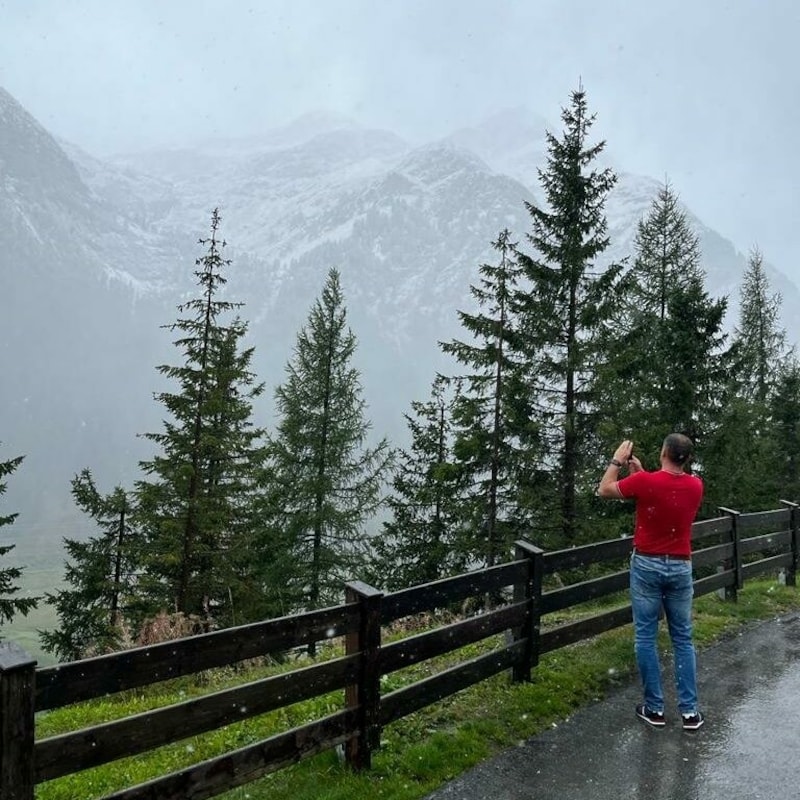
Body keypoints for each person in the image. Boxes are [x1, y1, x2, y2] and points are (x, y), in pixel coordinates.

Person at [597, 434, 705, 731]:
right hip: (680, 565)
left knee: (646, 636)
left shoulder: (647, 483)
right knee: (682, 638)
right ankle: (690, 712)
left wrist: (617, 460)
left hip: (646, 564)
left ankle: (655, 709)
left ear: (664, 452)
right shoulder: (695, 485)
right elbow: (665, 492)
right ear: (686, 458)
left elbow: (604, 489)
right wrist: (640, 474)